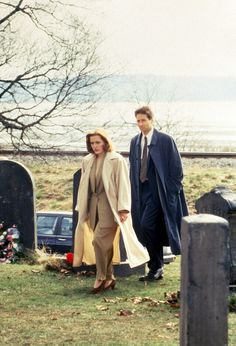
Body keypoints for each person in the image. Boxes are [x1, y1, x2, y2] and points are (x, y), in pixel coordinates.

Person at [73, 129, 149, 293]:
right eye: (92, 143)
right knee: (105, 245)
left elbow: (123, 184)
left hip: (111, 208)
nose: (95, 146)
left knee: (98, 241)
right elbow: (84, 186)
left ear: (105, 142)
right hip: (93, 207)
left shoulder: (116, 160)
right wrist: (82, 207)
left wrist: (123, 209)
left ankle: (100, 277)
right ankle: (110, 278)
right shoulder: (87, 160)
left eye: (98, 142)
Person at [129, 106, 188, 282]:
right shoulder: (135, 141)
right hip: (141, 191)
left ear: (151, 120)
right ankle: (156, 267)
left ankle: (156, 267)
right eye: (138, 121)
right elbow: (133, 167)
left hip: (159, 192)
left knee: (148, 225)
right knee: (143, 227)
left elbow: (176, 168)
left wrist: (171, 191)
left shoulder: (164, 140)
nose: (140, 124)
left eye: (143, 120)